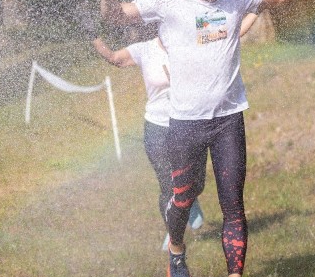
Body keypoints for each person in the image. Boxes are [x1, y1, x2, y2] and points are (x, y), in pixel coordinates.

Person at [101, 0, 315, 277]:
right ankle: (176, 250)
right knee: (182, 199)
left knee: (233, 204)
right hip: (185, 122)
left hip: (227, 119)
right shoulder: (169, 1)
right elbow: (118, 16)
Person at [90, 13, 260, 251]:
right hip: (158, 127)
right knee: (167, 185)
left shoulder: (195, 44)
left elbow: (233, 33)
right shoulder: (144, 50)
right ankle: (173, 237)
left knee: (195, 182)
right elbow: (115, 58)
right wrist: (93, 36)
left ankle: (191, 198)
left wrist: (257, 8)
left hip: (191, 124)